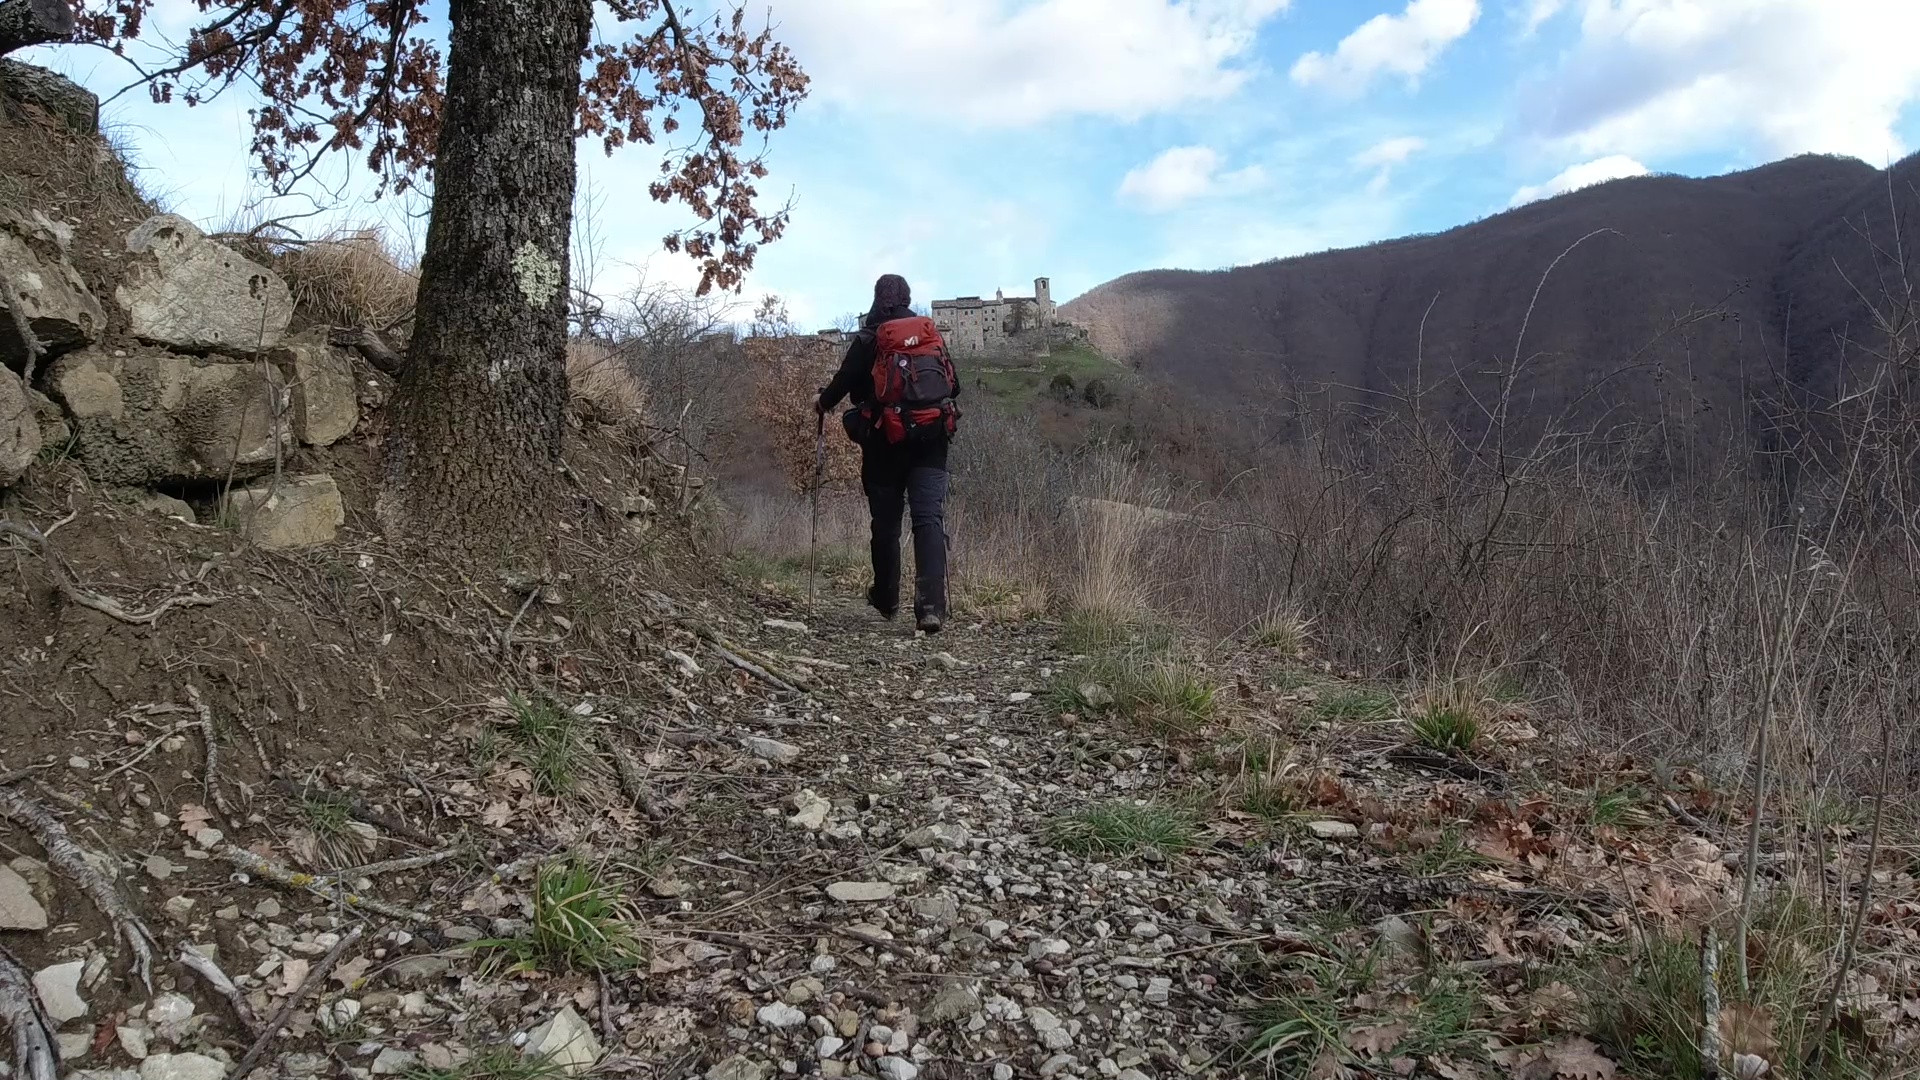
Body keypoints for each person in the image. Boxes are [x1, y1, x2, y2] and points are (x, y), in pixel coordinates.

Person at [815, 274, 955, 634]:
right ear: (908, 298)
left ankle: (887, 598)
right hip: (931, 442)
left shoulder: (868, 338)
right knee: (928, 520)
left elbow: (842, 383)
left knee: (887, 524)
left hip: (883, 445)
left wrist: (822, 403)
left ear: (877, 298)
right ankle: (931, 608)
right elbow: (955, 385)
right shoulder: (929, 336)